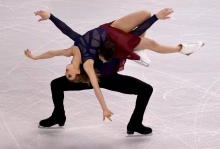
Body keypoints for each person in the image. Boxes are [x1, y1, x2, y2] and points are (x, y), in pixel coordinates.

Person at [24, 8, 204, 135]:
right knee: (145, 81)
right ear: (77, 72)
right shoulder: (87, 63)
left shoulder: (74, 48)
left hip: (112, 43)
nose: (66, 72)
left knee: (56, 84)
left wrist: (50, 17)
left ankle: (134, 121)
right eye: (70, 74)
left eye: (67, 73)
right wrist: (105, 109)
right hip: (109, 74)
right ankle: (60, 115)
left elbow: (66, 33)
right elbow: (95, 86)